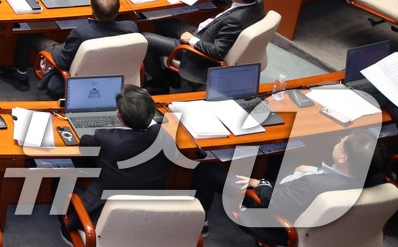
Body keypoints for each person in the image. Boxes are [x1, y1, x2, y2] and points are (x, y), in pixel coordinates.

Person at [194, 131, 374, 244]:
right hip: (298, 198)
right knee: (279, 154)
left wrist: (259, 183)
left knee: (207, 171)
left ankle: (201, 225)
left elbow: (271, 201)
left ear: (344, 158)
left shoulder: (312, 185)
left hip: (274, 217)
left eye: (341, 142)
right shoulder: (365, 179)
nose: (340, 139)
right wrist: (311, 170)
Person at [62, 86, 173, 241]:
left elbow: (84, 144)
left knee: (60, 182)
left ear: (118, 114)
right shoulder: (165, 138)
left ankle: (69, 232)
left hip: (103, 215)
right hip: (147, 214)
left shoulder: (107, 138)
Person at [144, 0, 264, 89]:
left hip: (194, 51)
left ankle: (159, 82)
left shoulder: (235, 20)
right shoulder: (255, 1)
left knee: (144, 39)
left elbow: (217, 52)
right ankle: (169, 72)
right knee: (160, 21)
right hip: (204, 33)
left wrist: (191, 40)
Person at [21, 0, 138, 97]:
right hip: (115, 73)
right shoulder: (131, 28)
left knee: (29, 35)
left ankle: (20, 77)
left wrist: (56, 50)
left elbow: (62, 61)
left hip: (78, 74)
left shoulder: (81, 33)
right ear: (117, 12)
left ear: (93, 11)